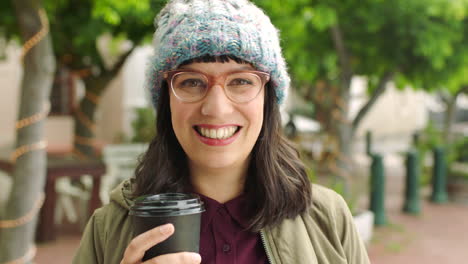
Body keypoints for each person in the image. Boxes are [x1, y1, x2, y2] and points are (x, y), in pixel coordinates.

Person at [73, 0, 371, 263]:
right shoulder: (108, 228)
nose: (216, 108)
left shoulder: (328, 217)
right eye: (191, 82)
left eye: (241, 81)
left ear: (269, 98)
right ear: (166, 100)